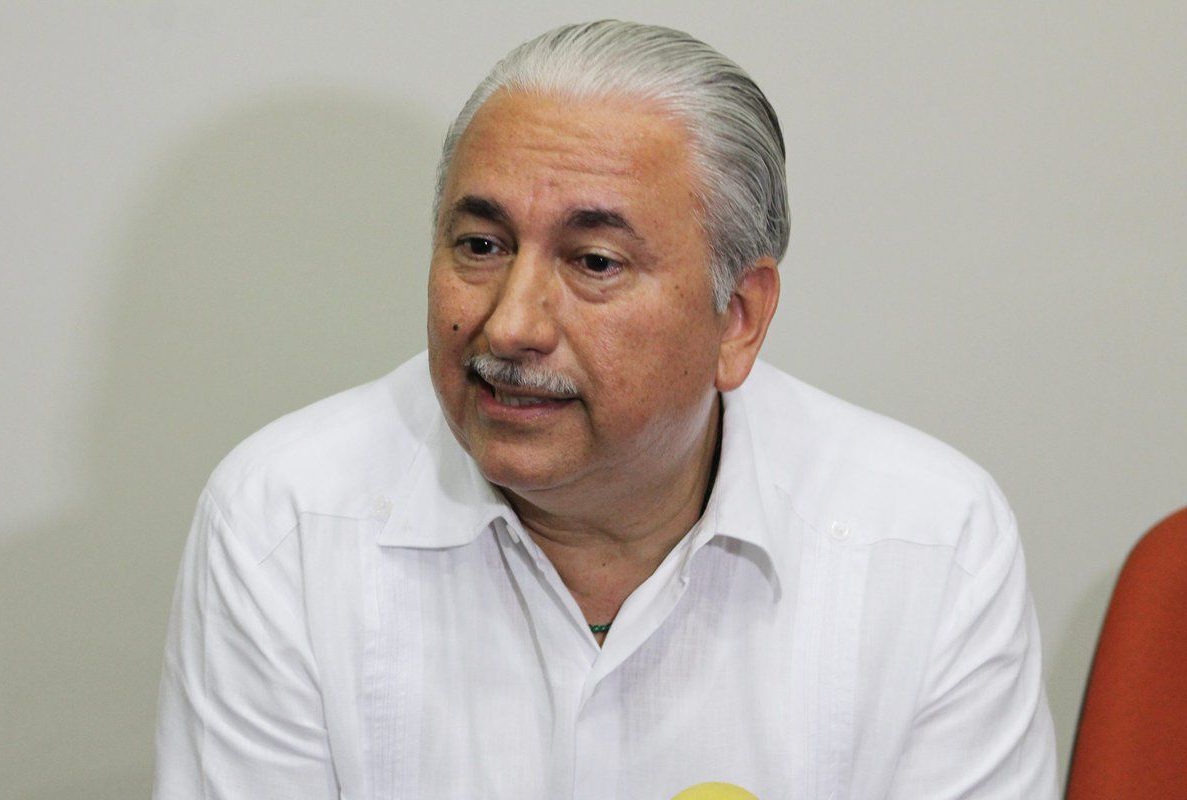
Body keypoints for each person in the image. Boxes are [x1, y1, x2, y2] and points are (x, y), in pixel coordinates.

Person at [153, 20, 1057, 799]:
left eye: (594, 263)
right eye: (481, 245)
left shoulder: (929, 542)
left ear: (738, 318)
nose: (511, 325)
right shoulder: (288, 520)